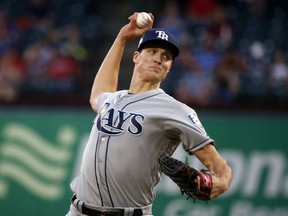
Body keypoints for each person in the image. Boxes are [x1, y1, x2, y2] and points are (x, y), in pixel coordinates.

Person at [66, 12, 232, 216]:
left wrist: (220, 183)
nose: (159, 59)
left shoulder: (176, 110)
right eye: (152, 51)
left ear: (169, 67)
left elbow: (220, 168)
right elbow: (97, 95)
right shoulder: (113, 99)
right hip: (78, 211)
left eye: (166, 57)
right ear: (136, 56)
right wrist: (122, 37)